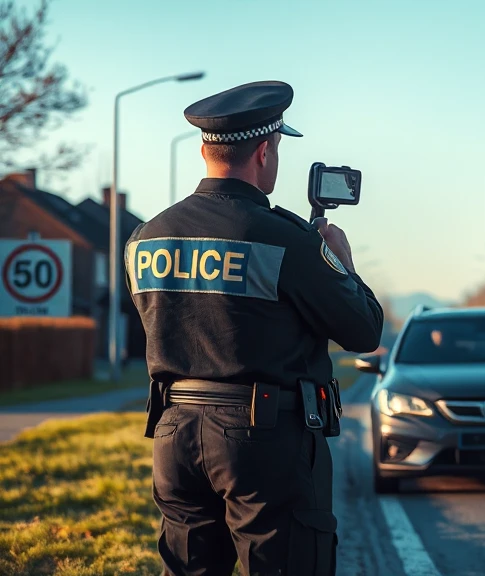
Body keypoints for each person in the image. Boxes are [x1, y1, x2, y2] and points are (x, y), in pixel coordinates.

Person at [123, 80, 384, 576]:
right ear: (264, 152)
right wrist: (343, 264)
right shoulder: (285, 239)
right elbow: (363, 331)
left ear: (205, 149)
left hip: (173, 432)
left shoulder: (145, 237)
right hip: (262, 439)